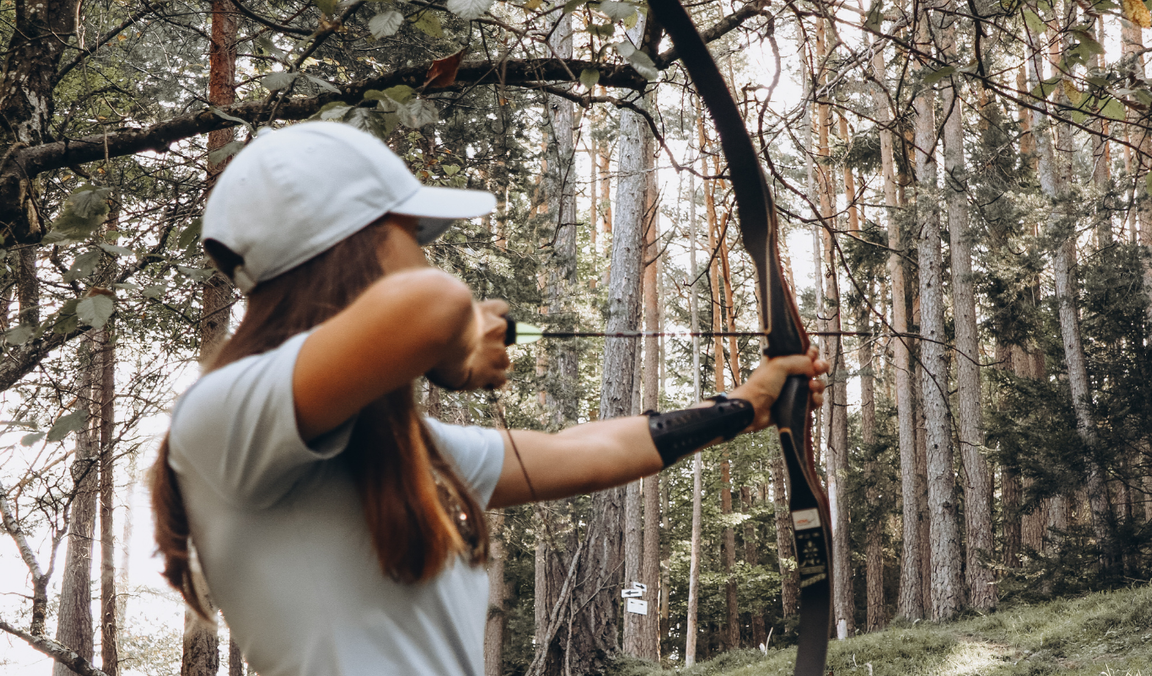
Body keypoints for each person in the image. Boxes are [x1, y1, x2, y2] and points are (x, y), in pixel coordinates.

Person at [151, 121, 828, 676]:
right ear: (353, 250)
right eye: (411, 237)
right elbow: (433, 306)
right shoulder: (218, 420)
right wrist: (459, 349)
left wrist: (744, 406)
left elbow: (580, 451)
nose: (425, 260)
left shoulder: (394, 449)